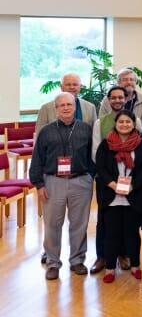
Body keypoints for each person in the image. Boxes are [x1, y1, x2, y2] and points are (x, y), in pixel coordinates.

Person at [30, 92, 95, 280]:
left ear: (75, 107)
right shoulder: (46, 131)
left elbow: (93, 156)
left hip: (80, 181)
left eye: (69, 104)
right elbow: (37, 159)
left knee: (79, 223)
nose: (66, 108)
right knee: (52, 224)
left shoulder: (85, 129)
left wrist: (90, 177)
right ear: (56, 108)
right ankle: (52, 263)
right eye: (62, 105)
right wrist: (39, 184)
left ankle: (77, 260)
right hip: (53, 182)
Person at [95, 110, 142, 283]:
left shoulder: (141, 144)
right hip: (111, 196)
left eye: (128, 122)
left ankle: (135, 265)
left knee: (132, 233)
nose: (124, 125)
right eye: (121, 121)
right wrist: (113, 185)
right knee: (111, 233)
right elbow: (100, 168)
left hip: (133, 196)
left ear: (134, 124)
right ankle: (110, 268)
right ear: (116, 123)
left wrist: (133, 186)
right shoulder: (106, 144)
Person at [90, 85, 141, 274]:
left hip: (130, 183)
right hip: (107, 182)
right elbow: (96, 153)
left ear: (126, 99)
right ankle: (102, 257)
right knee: (104, 221)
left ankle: (124, 254)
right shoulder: (100, 123)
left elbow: (140, 150)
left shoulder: (136, 122)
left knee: (128, 220)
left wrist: (130, 182)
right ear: (108, 100)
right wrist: (112, 181)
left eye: (121, 97)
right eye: (114, 97)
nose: (117, 100)